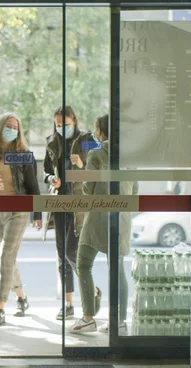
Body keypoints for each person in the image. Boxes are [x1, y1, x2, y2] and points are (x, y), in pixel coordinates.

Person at [69, 115, 138, 333]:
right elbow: (135, 190)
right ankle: (119, 321)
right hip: (122, 217)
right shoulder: (131, 155)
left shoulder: (97, 153)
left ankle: (88, 318)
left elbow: (88, 190)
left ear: (101, 131)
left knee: (83, 263)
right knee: (117, 268)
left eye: (96, 128)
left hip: (98, 216)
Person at [0, 113, 43, 326]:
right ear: (0, 128)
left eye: (16, 127)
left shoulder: (24, 155)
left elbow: (34, 186)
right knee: (6, 258)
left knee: (6, 255)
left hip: (18, 210)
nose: (12, 130)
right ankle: (21, 297)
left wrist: (37, 213)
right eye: (8, 126)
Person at [43, 106, 87, 321]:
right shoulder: (52, 143)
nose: (61, 129)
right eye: (58, 125)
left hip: (79, 204)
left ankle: (92, 292)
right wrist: (51, 179)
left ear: (74, 121)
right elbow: (45, 171)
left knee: (72, 253)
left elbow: (101, 164)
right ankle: (68, 303)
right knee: (62, 255)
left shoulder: (86, 140)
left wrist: (82, 163)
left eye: (65, 125)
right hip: (60, 203)